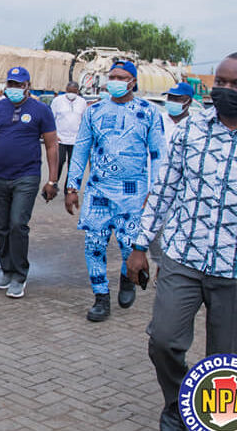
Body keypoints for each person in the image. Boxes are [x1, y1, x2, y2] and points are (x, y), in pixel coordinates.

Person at [126, 52, 237, 431]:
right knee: (164, 342)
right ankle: (178, 402)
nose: (226, 90)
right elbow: (164, 190)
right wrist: (139, 246)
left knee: (225, 362)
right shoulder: (191, 129)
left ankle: (210, 420)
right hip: (183, 258)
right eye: (220, 82)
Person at [64, 61, 164, 322]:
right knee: (94, 246)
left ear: (133, 82)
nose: (115, 82)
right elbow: (81, 150)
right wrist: (72, 185)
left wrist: (154, 192)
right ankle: (101, 298)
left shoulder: (149, 112)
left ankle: (126, 278)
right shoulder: (94, 111)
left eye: (121, 77)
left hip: (133, 196)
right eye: (112, 77)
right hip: (98, 192)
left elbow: (157, 155)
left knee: (129, 246)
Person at [0, 66, 60, 299]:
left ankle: (20, 275)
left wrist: (52, 179)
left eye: (19, 84)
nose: (15, 88)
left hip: (27, 176)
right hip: (0, 175)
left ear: (28, 86)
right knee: (2, 226)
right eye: (11, 84)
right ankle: (6, 270)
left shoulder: (41, 110)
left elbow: (51, 145)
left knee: (18, 223)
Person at [50, 81, 87, 187]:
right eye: (69, 91)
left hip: (76, 139)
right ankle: (54, 183)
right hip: (60, 138)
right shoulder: (57, 101)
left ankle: (69, 187)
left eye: (74, 91)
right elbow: (51, 119)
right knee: (59, 162)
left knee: (73, 165)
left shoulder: (82, 102)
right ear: (66, 90)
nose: (71, 93)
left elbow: (84, 120)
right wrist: (53, 135)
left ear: (77, 91)